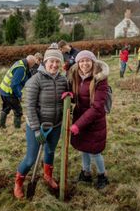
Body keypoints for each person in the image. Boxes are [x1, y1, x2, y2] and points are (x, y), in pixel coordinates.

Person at [14, 49, 68, 199]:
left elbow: (69, 98)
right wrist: (37, 131)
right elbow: (30, 107)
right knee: (31, 158)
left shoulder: (63, 80)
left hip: (55, 125)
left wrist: (69, 96)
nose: (54, 64)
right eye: (52, 61)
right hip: (36, 127)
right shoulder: (35, 80)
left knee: (50, 152)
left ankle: (47, 176)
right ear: (45, 62)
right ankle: (18, 183)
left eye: (58, 61)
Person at [68, 50, 110, 189]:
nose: (84, 63)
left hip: (94, 121)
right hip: (81, 118)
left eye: (87, 60)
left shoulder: (100, 79)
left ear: (93, 62)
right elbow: (80, 97)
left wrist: (78, 125)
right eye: (81, 61)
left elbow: (97, 107)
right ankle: (85, 173)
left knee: (95, 151)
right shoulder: (77, 76)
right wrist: (69, 95)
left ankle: (102, 175)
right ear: (78, 63)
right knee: (83, 148)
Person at [0, 55, 36, 129]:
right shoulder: (21, 69)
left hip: (3, 90)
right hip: (9, 92)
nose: (33, 67)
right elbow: (14, 84)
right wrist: (19, 95)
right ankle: (17, 128)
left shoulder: (20, 63)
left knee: (6, 108)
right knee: (18, 111)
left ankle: (1, 126)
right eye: (33, 65)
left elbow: (25, 76)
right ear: (31, 63)